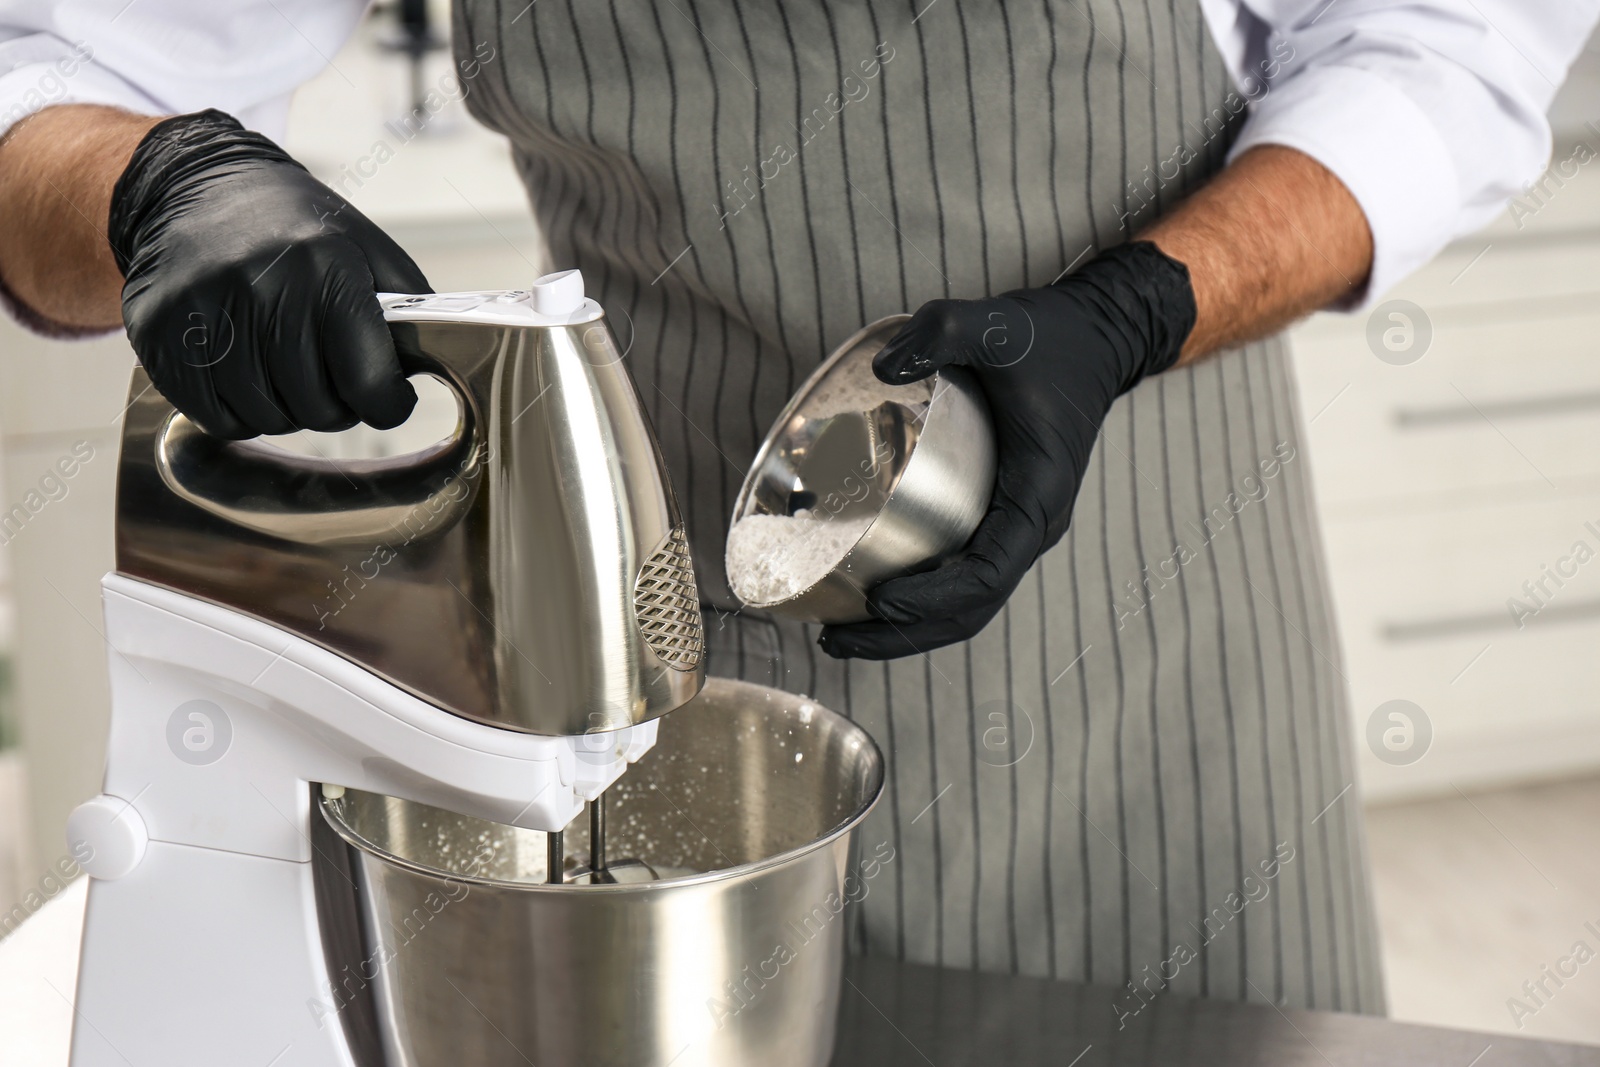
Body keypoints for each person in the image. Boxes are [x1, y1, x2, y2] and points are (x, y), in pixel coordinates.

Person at [1, 0, 1595, 1016]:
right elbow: (42, 74)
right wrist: (159, 184)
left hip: (1174, 610)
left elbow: (1448, 40)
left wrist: (1134, 312)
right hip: (709, 666)